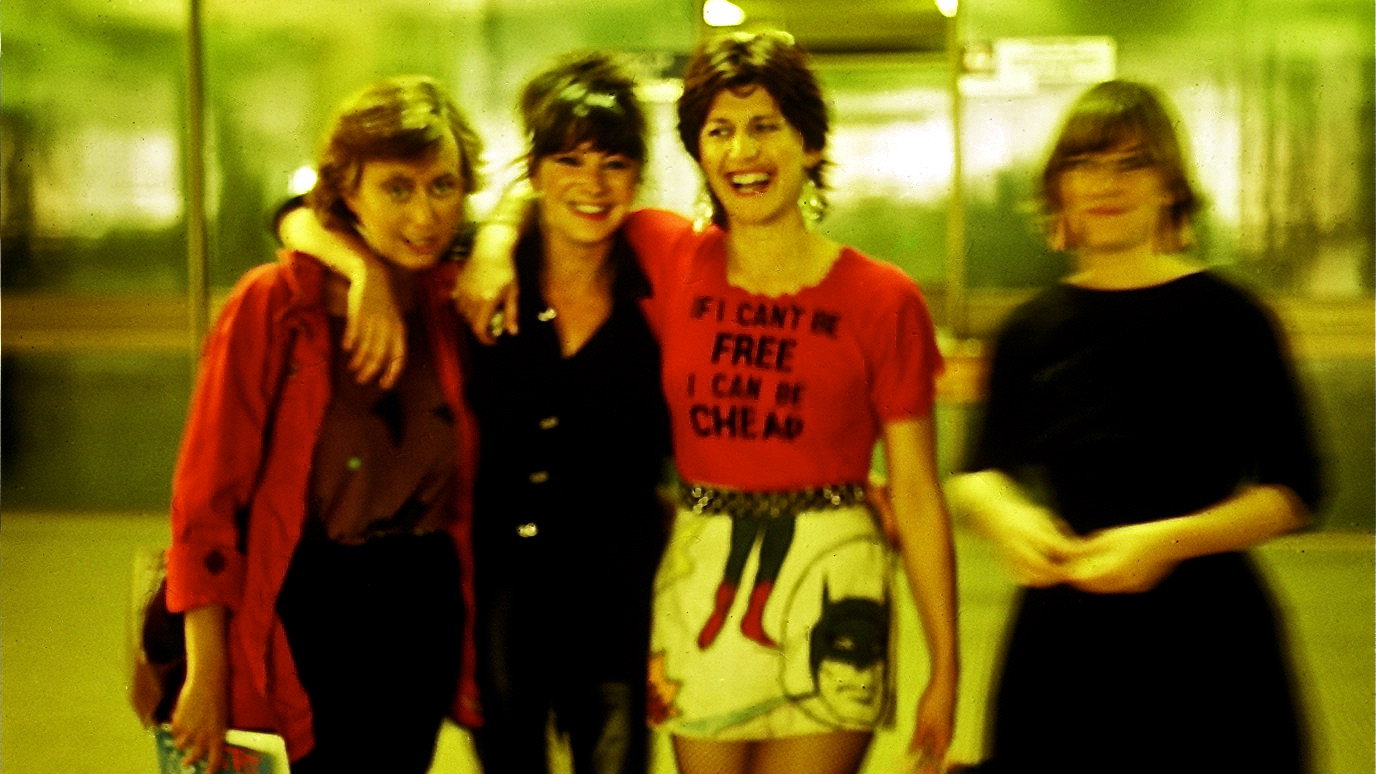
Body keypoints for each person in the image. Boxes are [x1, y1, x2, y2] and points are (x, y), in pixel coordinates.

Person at [461, 31, 959, 774]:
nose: (742, 151)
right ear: (698, 152)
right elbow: (562, 188)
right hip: (703, 574)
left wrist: (946, 665)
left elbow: (918, 493)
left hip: (834, 572)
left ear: (810, 143)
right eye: (719, 131)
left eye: (765, 127)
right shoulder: (668, 252)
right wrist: (495, 239)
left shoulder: (883, 298)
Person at [279, 52, 672, 774]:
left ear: (638, 175)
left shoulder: (658, 287)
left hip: (620, 596)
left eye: (614, 164)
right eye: (569, 160)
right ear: (535, 170)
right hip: (501, 589)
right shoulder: (469, 275)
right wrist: (364, 271)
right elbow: (298, 216)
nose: (592, 185)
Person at [948, 80, 1321, 773]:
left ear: (1169, 185)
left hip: (1210, 640)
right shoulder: (1029, 328)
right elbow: (978, 471)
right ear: (1058, 190)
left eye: (1132, 163)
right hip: (1064, 639)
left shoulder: (1233, 318)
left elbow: (1296, 490)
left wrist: (1163, 542)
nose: (1106, 184)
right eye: (1085, 165)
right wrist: (1006, 516)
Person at [164, 74, 485, 772]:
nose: (425, 214)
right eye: (397, 188)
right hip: (310, 602)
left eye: (443, 186)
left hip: (421, 606)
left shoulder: (453, 305)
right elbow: (205, 501)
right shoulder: (275, 305)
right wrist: (205, 672)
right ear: (348, 193)